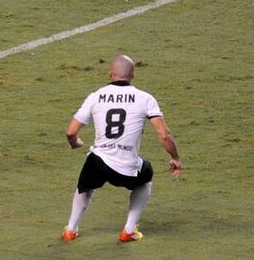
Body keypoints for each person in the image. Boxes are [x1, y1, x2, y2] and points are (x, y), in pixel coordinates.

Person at [62, 55, 183, 243]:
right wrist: (175, 157)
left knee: (85, 185)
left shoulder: (96, 96)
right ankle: (128, 230)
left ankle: (70, 229)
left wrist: (75, 142)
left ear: (110, 74)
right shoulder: (145, 98)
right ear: (132, 75)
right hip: (126, 166)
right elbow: (164, 135)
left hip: (98, 160)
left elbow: (70, 132)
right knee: (146, 175)